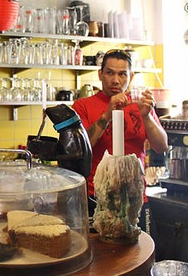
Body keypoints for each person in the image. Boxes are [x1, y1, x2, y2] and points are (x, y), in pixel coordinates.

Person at [72, 49, 168, 230]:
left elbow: (162, 146)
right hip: (95, 197)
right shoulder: (83, 106)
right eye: (110, 73)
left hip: (136, 196)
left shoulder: (140, 104)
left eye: (122, 74)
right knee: (102, 255)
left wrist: (146, 117)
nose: (116, 80)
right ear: (100, 75)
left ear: (130, 77)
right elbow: (80, 149)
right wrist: (107, 114)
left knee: (144, 254)